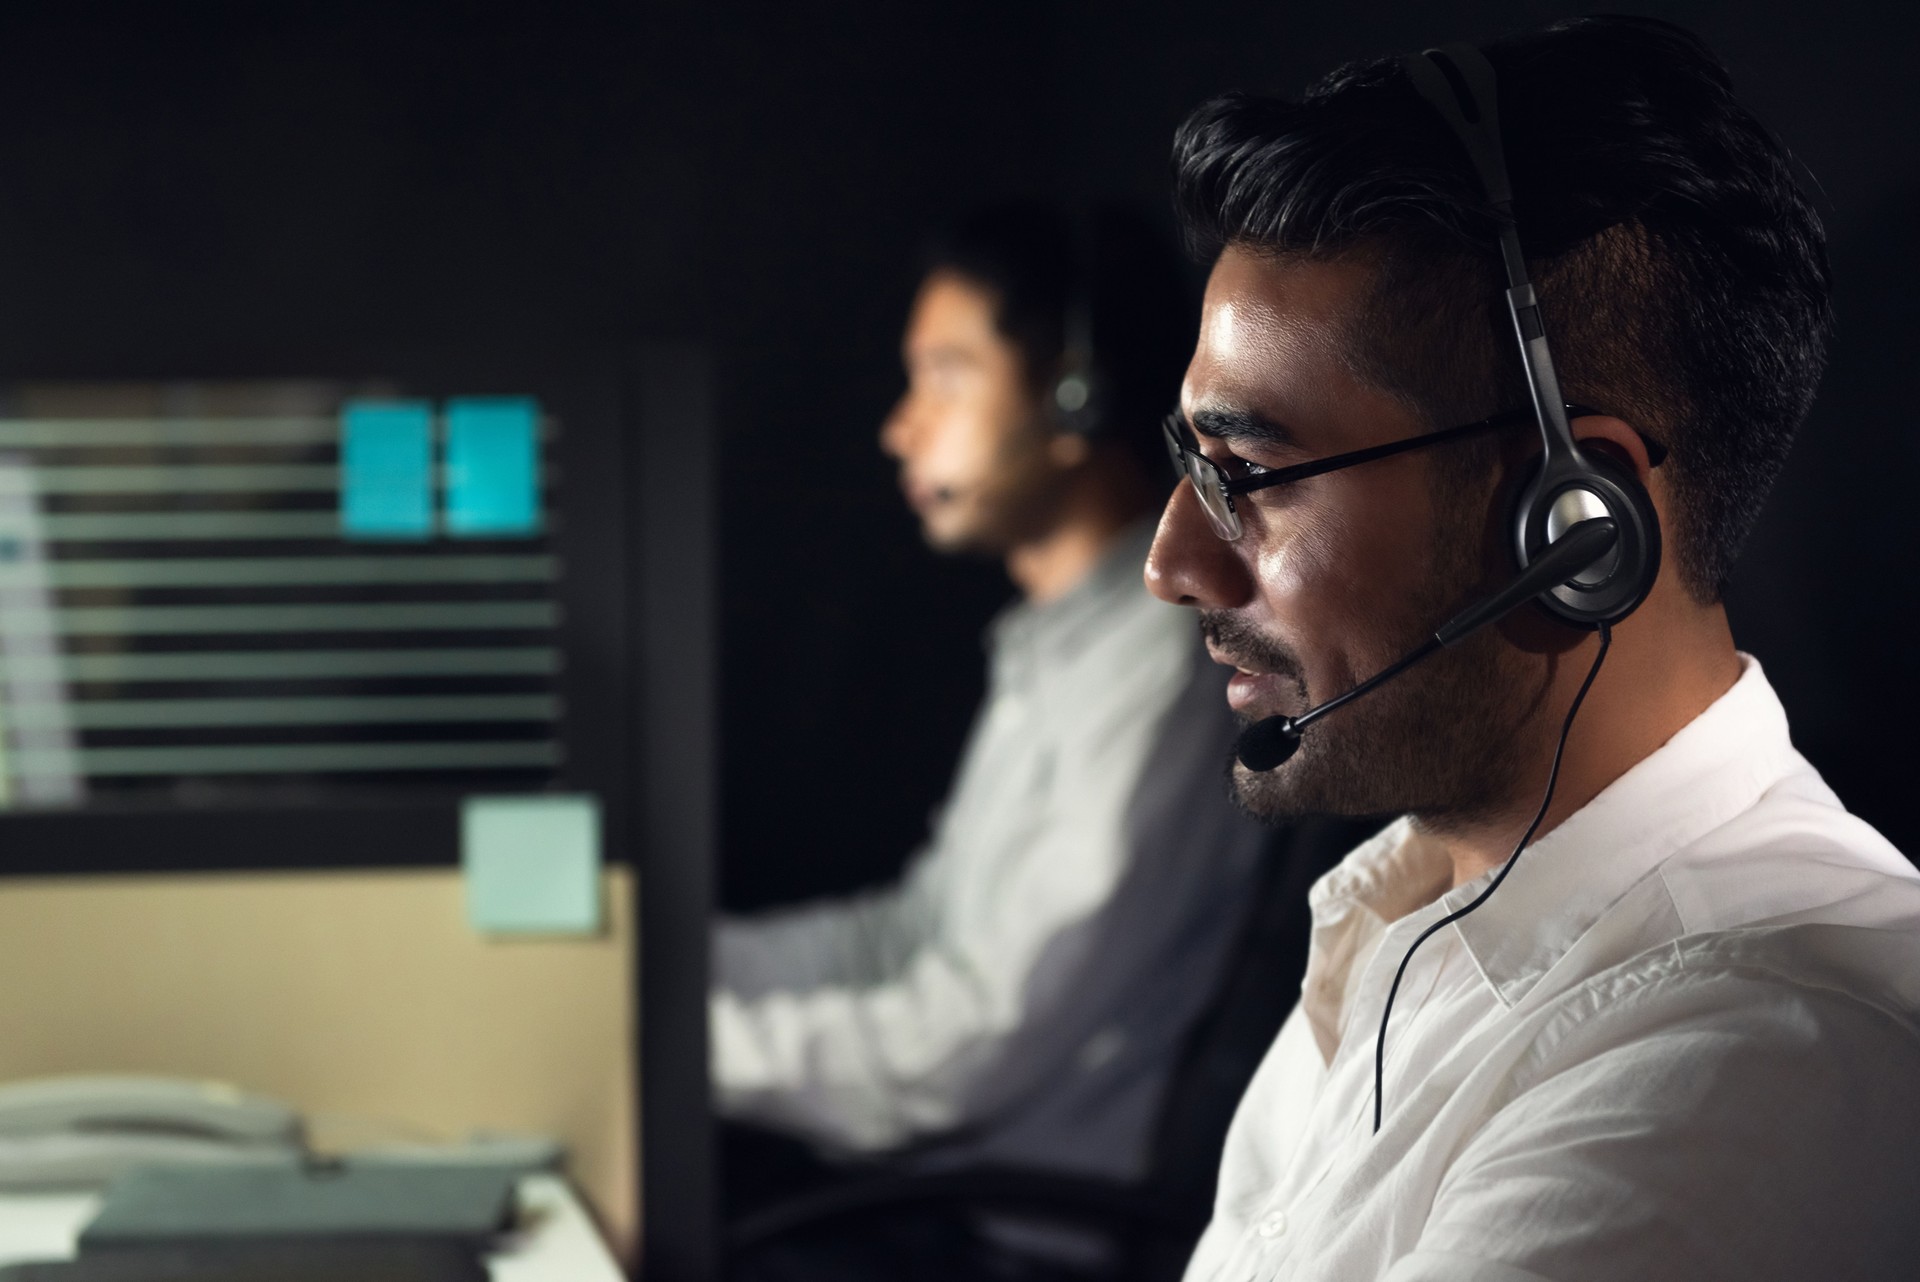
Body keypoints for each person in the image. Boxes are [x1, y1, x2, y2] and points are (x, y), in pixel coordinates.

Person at [1146, 17, 1920, 1281]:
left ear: (1573, 526)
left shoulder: (1754, 1059)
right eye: (1191, 459)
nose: (1172, 562)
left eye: (1248, 473)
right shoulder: (1409, 912)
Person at [712, 205, 1269, 1251]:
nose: (902, 427)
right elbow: (911, 935)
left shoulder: (1159, 671)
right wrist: (669, 971)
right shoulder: (1059, 647)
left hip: (1008, 1243)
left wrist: (678, 1044)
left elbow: (973, 1045)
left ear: (1074, 395)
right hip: (933, 1203)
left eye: (947, 375)